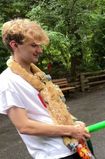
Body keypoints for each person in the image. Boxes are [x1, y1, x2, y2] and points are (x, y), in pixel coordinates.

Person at [0, 18, 94, 159]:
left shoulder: (38, 75)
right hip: (55, 154)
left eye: (39, 45)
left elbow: (47, 113)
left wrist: (73, 123)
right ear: (14, 45)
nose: (40, 50)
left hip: (77, 146)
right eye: (34, 46)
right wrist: (71, 130)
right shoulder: (8, 81)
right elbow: (24, 126)